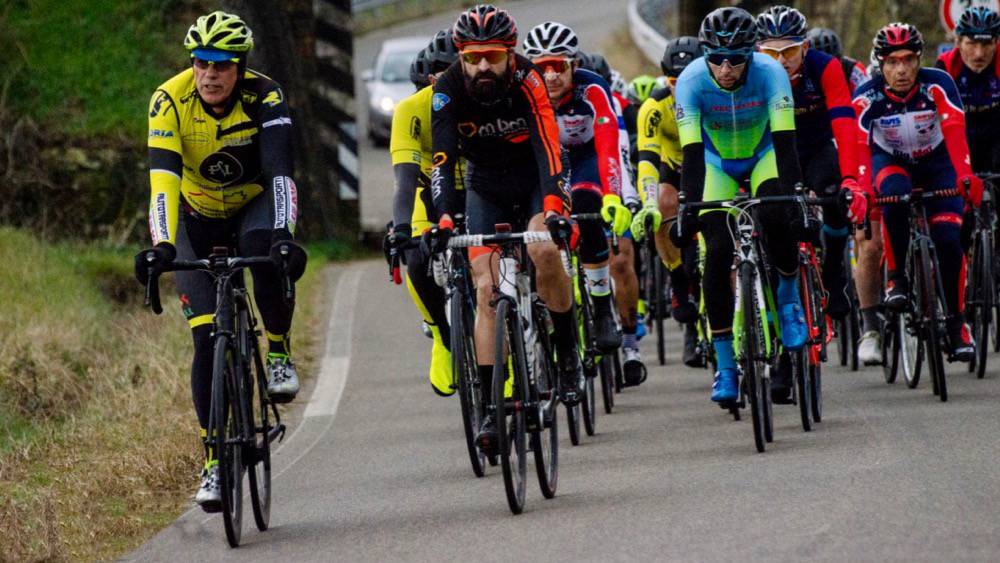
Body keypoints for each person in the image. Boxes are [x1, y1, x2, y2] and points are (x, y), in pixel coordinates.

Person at [135, 11, 306, 511]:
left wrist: (284, 236)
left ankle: (276, 350)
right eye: (200, 63)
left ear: (241, 67)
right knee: (207, 338)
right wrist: (163, 247)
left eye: (221, 65)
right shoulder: (168, 99)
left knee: (265, 258)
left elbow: (280, 173)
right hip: (196, 214)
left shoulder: (265, 95)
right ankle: (213, 459)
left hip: (252, 203)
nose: (208, 74)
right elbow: (162, 179)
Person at [427, 4, 580, 451]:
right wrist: (443, 216)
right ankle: (493, 409)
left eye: (491, 56)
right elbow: (442, 160)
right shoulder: (448, 89)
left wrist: (554, 208)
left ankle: (566, 349)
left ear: (510, 53)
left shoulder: (529, 79)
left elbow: (550, 148)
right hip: (486, 187)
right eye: (472, 57)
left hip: (535, 180)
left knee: (545, 252)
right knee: (485, 290)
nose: (481, 66)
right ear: (460, 56)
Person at [672, 7, 820, 403]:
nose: (725, 68)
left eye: (735, 60)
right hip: (715, 161)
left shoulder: (771, 74)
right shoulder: (689, 82)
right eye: (716, 59)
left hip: (764, 154)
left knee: (775, 213)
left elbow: (787, 147)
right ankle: (724, 367)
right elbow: (690, 156)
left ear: (750, 55)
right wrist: (688, 209)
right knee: (717, 251)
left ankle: (788, 300)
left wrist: (795, 201)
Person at [523, 22, 651, 385]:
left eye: (558, 66)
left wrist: (614, 195)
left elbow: (610, 142)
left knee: (587, 206)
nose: (550, 76)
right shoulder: (523, 92)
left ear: (574, 65)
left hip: (587, 159)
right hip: (546, 165)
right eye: (541, 67)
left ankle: (600, 307)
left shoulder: (592, 87)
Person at [755, 6, 866, 398]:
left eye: (789, 52)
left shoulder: (825, 67)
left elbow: (844, 122)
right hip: (772, 152)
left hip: (818, 149)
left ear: (805, 46)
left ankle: (835, 272)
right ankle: (784, 356)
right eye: (771, 53)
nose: (781, 62)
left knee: (836, 197)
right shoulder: (754, 73)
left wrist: (852, 177)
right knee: (773, 234)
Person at [854, 22, 980, 362]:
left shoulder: (938, 84)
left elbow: (955, 130)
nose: (902, 69)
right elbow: (859, 150)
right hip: (891, 161)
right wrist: (863, 190)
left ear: (918, 60)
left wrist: (966, 175)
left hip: (938, 161)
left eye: (909, 60)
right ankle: (897, 280)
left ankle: (957, 326)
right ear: (880, 64)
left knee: (948, 239)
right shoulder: (867, 96)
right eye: (892, 62)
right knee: (894, 193)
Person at [386, 30, 460, 397]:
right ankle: (444, 338)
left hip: (482, 186)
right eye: (444, 72)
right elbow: (404, 179)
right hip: (429, 189)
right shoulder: (413, 109)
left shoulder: (489, 100)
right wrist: (400, 228)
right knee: (415, 256)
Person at [632, 36, 706, 367]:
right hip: (674, 167)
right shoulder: (654, 106)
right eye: (675, 82)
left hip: (712, 165)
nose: (682, 88)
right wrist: (647, 200)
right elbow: (647, 159)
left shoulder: (715, 97)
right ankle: (678, 280)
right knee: (663, 202)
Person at [935, 6, 1000, 173]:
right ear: (958, 41)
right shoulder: (946, 66)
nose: (979, 54)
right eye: (971, 43)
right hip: (960, 128)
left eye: (986, 44)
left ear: (996, 43)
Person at [807, 27, 870, 95]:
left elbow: (867, 94)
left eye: (832, 63)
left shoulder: (853, 70)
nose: (827, 70)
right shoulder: (799, 72)